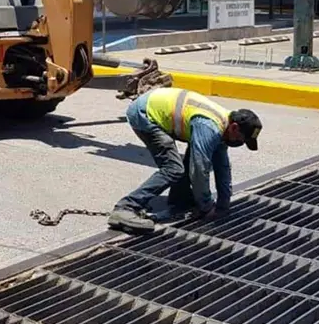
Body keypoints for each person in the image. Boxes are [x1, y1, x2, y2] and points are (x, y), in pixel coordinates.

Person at [108, 87, 263, 234]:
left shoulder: (224, 127)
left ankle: (180, 200)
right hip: (145, 114)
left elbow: (222, 167)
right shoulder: (210, 127)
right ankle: (126, 207)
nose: (239, 144)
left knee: (193, 160)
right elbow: (199, 170)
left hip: (159, 109)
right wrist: (207, 207)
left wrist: (224, 204)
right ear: (234, 127)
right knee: (173, 168)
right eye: (241, 140)